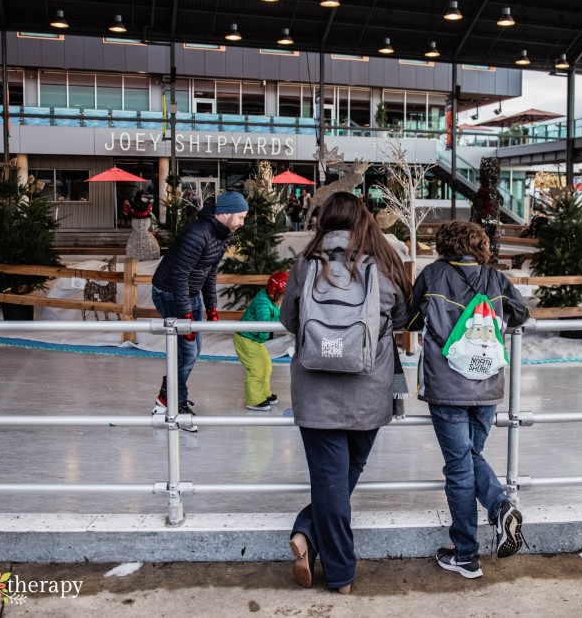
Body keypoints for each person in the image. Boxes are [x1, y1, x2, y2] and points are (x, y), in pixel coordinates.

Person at [280, 191, 411, 595]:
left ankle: (308, 535)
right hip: (368, 391)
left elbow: (289, 319)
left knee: (330, 480)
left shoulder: (305, 264)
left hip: (315, 392)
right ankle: (339, 572)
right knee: (343, 476)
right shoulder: (384, 263)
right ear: (364, 221)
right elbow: (404, 316)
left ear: (323, 222)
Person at [407, 220, 530, 579]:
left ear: (444, 244)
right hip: (486, 386)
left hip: (446, 387)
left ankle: (468, 551)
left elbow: (411, 318)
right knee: (471, 457)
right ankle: (497, 514)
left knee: (460, 468)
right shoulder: (495, 279)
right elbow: (521, 313)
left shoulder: (432, 275)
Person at [149, 191, 248, 433]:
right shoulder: (198, 233)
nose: (242, 223)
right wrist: (185, 316)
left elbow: (209, 273)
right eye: (240, 217)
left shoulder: (223, 235)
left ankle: (167, 396)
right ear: (225, 214)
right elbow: (179, 275)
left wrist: (211, 307)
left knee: (195, 350)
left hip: (190, 294)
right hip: (170, 293)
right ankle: (173, 402)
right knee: (187, 351)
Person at [235, 271, 287, 411]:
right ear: (275, 292)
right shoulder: (263, 302)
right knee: (256, 368)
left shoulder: (273, 301)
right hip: (246, 338)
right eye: (283, 296)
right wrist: (281, 320)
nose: (283, 300)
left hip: (255, 339)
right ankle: (254, 400)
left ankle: (265, 394)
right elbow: (264, 322)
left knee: (266, 365)